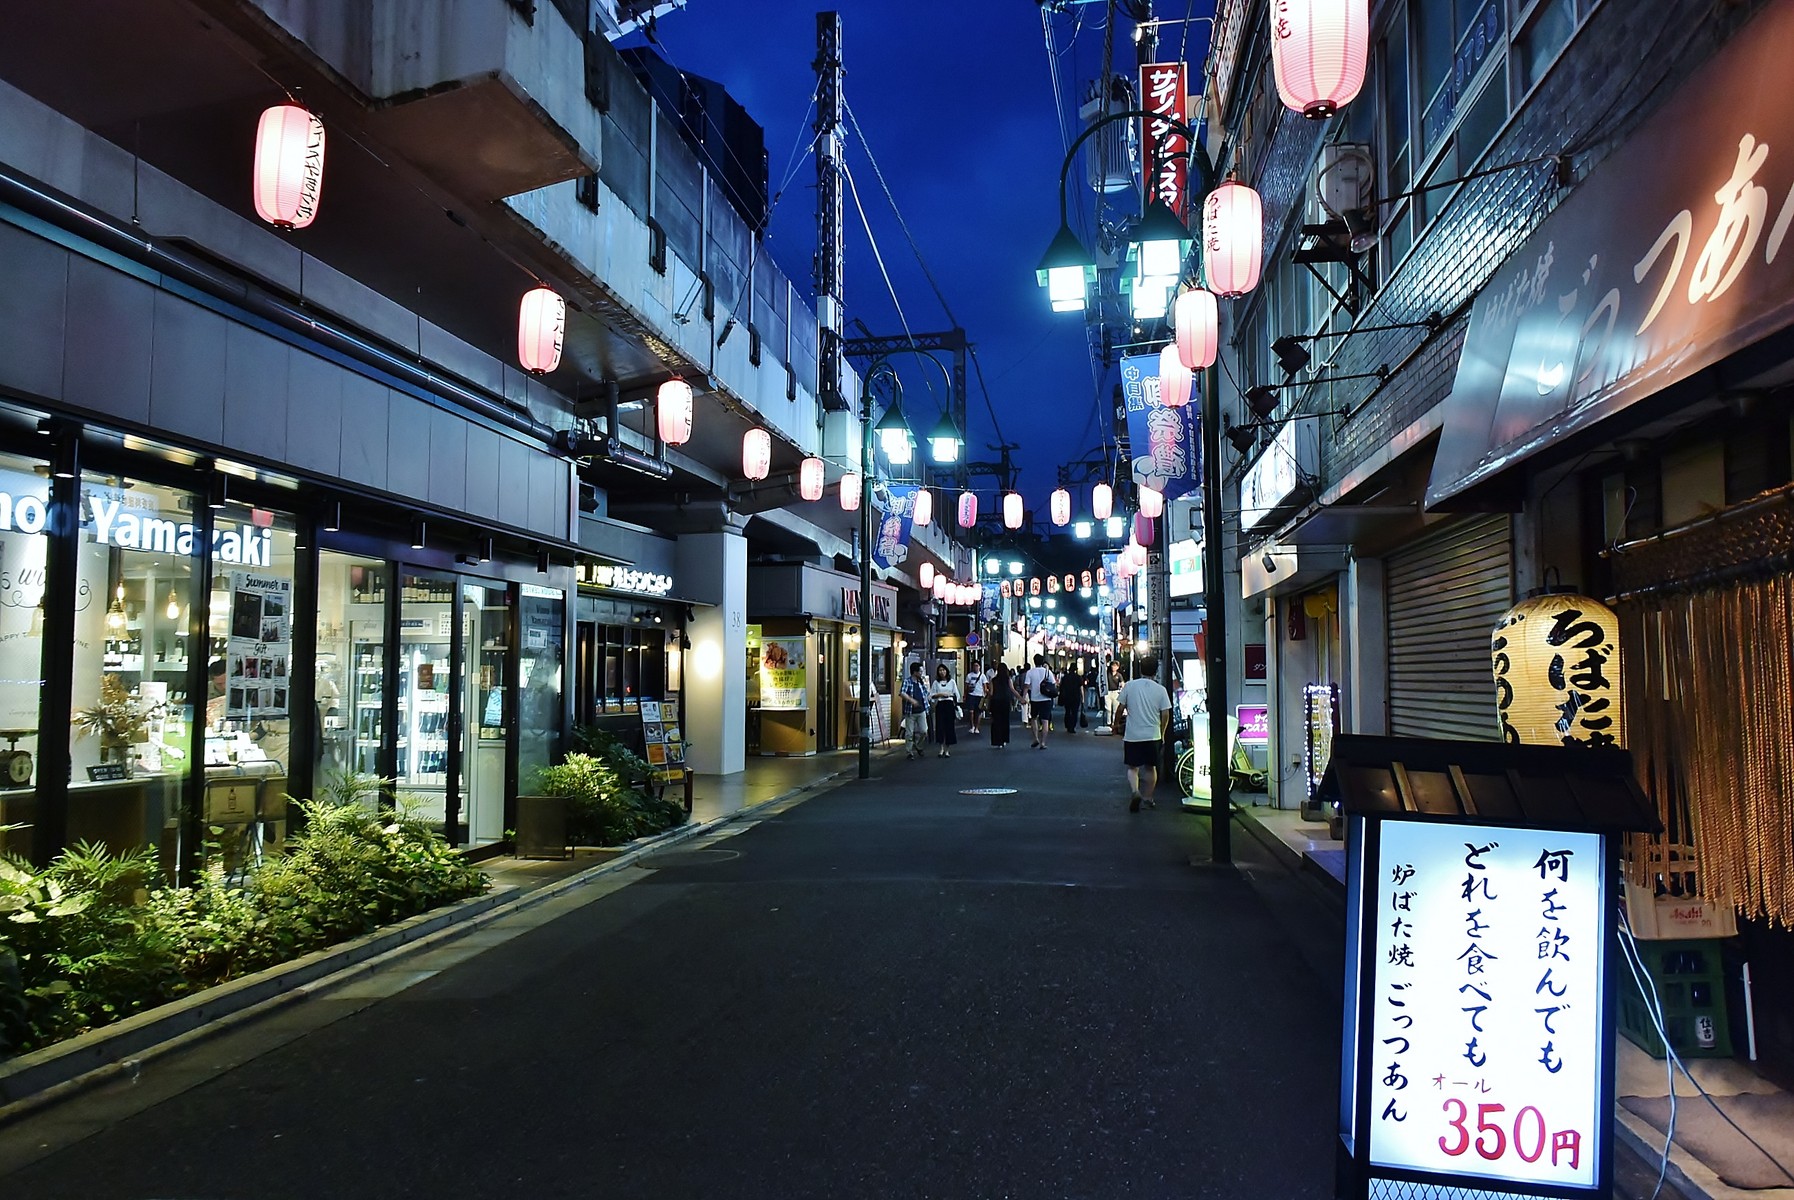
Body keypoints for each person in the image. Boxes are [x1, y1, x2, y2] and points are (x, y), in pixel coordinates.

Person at [1113, 654, 1173, 812]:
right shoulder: (1161, 690)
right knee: (1150, 768)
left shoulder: (1130, 686)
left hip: (1133, 735)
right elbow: (1165, 714)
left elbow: (1120, 708)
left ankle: (1135, 791)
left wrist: (1115, 724)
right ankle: (1148, 797)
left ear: (1140, 669)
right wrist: (1162, 732)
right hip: (1153, 734)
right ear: (1156, 671)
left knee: (1132, 767)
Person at [1021, 653, 1055, 749]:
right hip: (1046, 699)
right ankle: (1043, 743)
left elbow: (1026, 686)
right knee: (1045, 721)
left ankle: (1036, 738)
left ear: (1034, 661)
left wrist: (1023, 697)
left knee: (1034, 718)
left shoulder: (1030, 672)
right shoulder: (1047, 672)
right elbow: (1053, 684)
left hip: (1035, 699)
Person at [929, 663, 960, 758]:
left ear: (947, 671)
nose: (942, 672)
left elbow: (956, 694)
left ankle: (947, 749)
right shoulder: (936, 683)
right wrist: (940, 694)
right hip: (940, 705)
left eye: (943, 670)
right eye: (940, 670)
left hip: (949, 705)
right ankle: (941, 748)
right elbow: (931, 695)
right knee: (940, 726)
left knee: (949, 727)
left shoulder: (952, 682)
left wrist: (950, 695)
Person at [901, 661, 930, 760]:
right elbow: (902, 693)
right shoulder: (907, 681)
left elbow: (926, 694)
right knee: (909, 732)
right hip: (910, 711)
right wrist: (911, 700)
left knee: (924, 731)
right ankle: (909, 752)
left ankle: (918, 745)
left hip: (921, 710)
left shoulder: (921, 682)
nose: (921, 673)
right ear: (914, 672)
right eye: (920, 671)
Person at [988, 662, 1014, 749]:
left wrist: (987, 697)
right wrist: (1021, 698)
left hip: (995, 702)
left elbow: (991, 693)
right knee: (1005, 721)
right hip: (1005, 702)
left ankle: (997, 741)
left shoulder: (993, 680)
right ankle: (1004, 739)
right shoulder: (1008, 679)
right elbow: (1012, 690)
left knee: (996, 721)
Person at [1058, 664, 1084, 735]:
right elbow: (1081, 688)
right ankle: (1072, 727)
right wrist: (1083, 698)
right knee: (1074, 712)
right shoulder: (1078, 677)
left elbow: (1061, 687)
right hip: (1076, 697)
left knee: (1067, 711)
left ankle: (1067, 725)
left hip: (1067, 697)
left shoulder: (1065, 677)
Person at [965, 659, 985, 735]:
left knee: (978, 712)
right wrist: (965, 695)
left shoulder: (982, 676)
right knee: (971, 711)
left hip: (979, 695)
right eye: (974, 666)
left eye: (977, 666)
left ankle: (977, 727)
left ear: (979, 667)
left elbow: (984, 686)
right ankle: (972, 726)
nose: (975, 667)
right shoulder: (969, 675)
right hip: (971, 695)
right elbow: (966, 686)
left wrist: (984, 695)